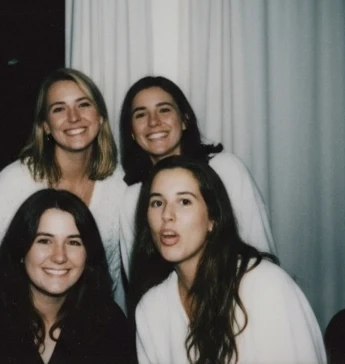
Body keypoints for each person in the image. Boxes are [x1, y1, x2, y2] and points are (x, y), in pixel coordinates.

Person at [0, 67, 127, 309]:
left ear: (100, 117)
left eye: (83, 105)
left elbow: (108, 279)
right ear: (46, 126)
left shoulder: (117, 184)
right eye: (59, 108)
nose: (73, 117)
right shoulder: (13, 184)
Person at [131, 157, 325, 364]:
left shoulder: (266, 286)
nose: (167, 215)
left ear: (212, 219)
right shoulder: (150, 309)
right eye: (157, 203)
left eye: (184, 201)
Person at [0, 189, 134, 364]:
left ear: (88, 256)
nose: (59, 256)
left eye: (73, 242)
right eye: (44, 241)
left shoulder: (110, 324)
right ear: (21, 250)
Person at [117, 75, 275, 279]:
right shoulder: (132, 198)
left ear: (184, 120)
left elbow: (260, 253)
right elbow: (139, 279)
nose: (153, 122)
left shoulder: (226, 170)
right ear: (131, 132)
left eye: (164, 109)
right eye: (140, 114)